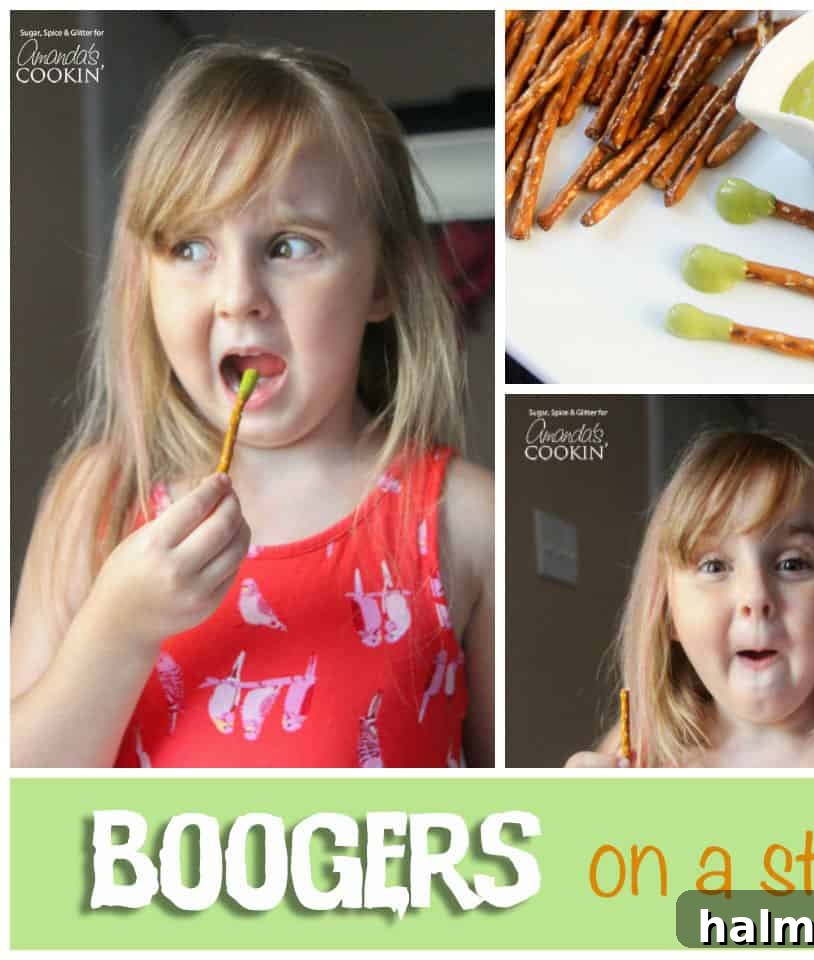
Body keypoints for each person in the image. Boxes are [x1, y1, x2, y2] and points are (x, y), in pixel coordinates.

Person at [12, 43, 493, 768]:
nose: (238, 297)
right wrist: (119, 630)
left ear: (381, 282)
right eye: (190, 248)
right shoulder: (101, 500)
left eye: (290, 245)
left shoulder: (462, 519)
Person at [567, 430, 814, 769]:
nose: (755, 597)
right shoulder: (636, 760)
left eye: (792, 563)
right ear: (667, 613)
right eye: (714, 566)